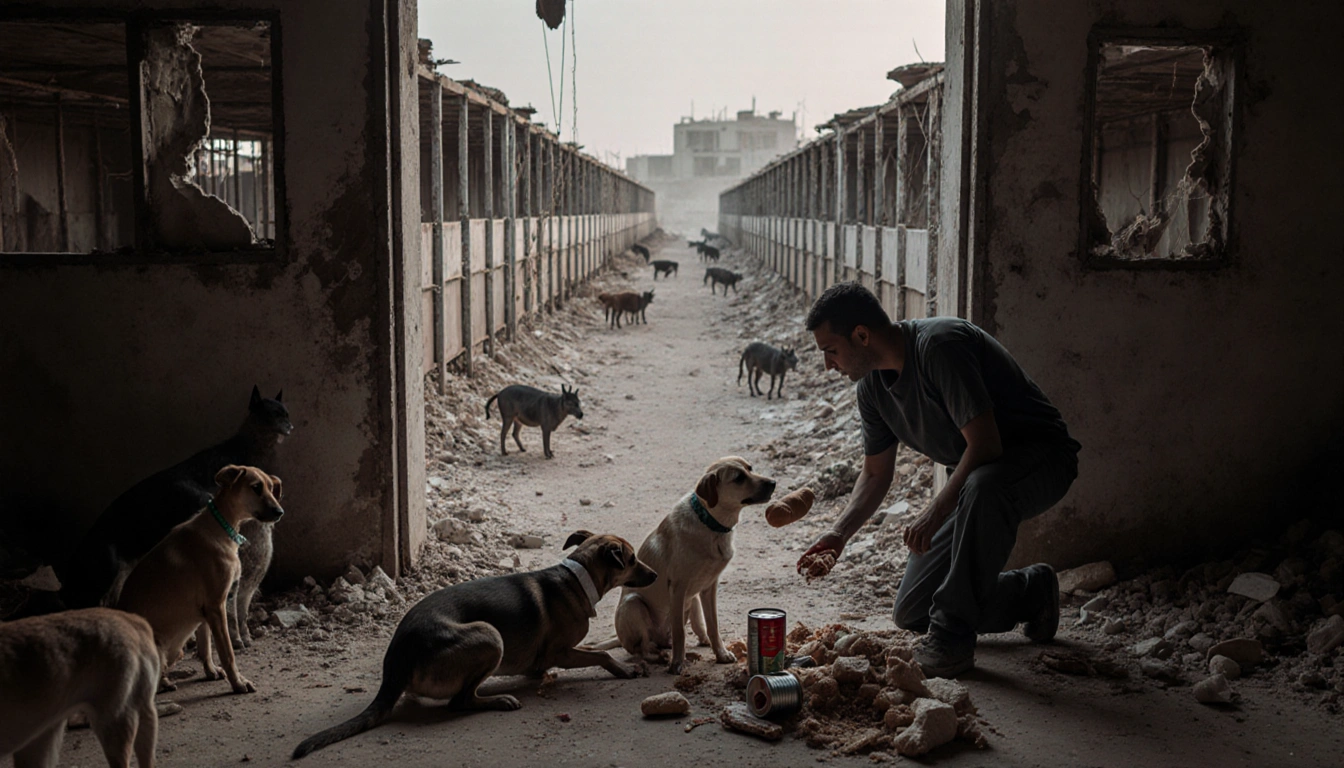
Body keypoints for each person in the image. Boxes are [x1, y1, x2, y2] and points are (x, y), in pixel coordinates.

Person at [796, 283, 1081, 677]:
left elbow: (985, 445)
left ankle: (952, 642)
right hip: (976, 483)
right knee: (914, 608)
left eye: (831, 350)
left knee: (985, 486)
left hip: (1041, 460)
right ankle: (1030, 594)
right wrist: (838, 535)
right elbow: (876, 473)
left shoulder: (939, 346)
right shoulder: (872, 390)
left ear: (861, 335)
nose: (829, 364)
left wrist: (934, 511)